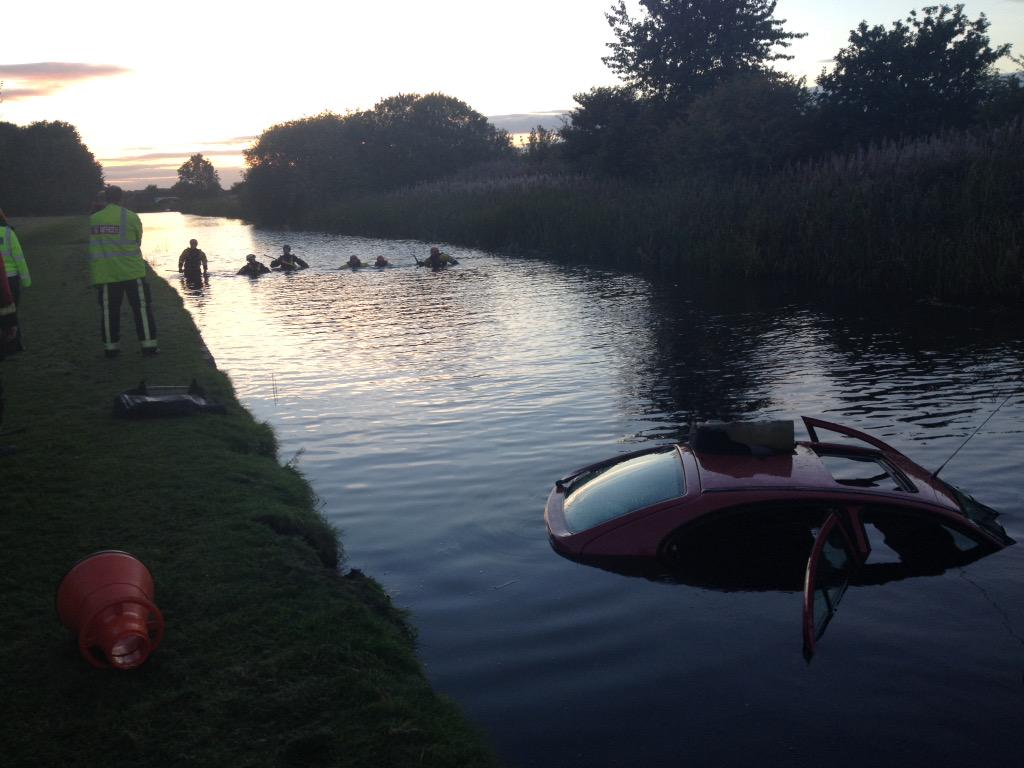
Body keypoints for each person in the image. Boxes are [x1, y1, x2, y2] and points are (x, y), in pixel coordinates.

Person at [88, 186, 159, 357]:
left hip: (107, 273)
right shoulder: (131, 217)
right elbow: (138, 241)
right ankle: (148, 346)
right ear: (121, 198)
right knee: (141, 309)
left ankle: (111, 348)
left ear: (106, 198)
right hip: (132, 271)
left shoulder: (94, 219)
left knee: (109, 312)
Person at [0, 209, 30, 304]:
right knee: (11, 310)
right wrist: (26, 281)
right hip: (10, 279)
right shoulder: (8, 233)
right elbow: (19, 258)